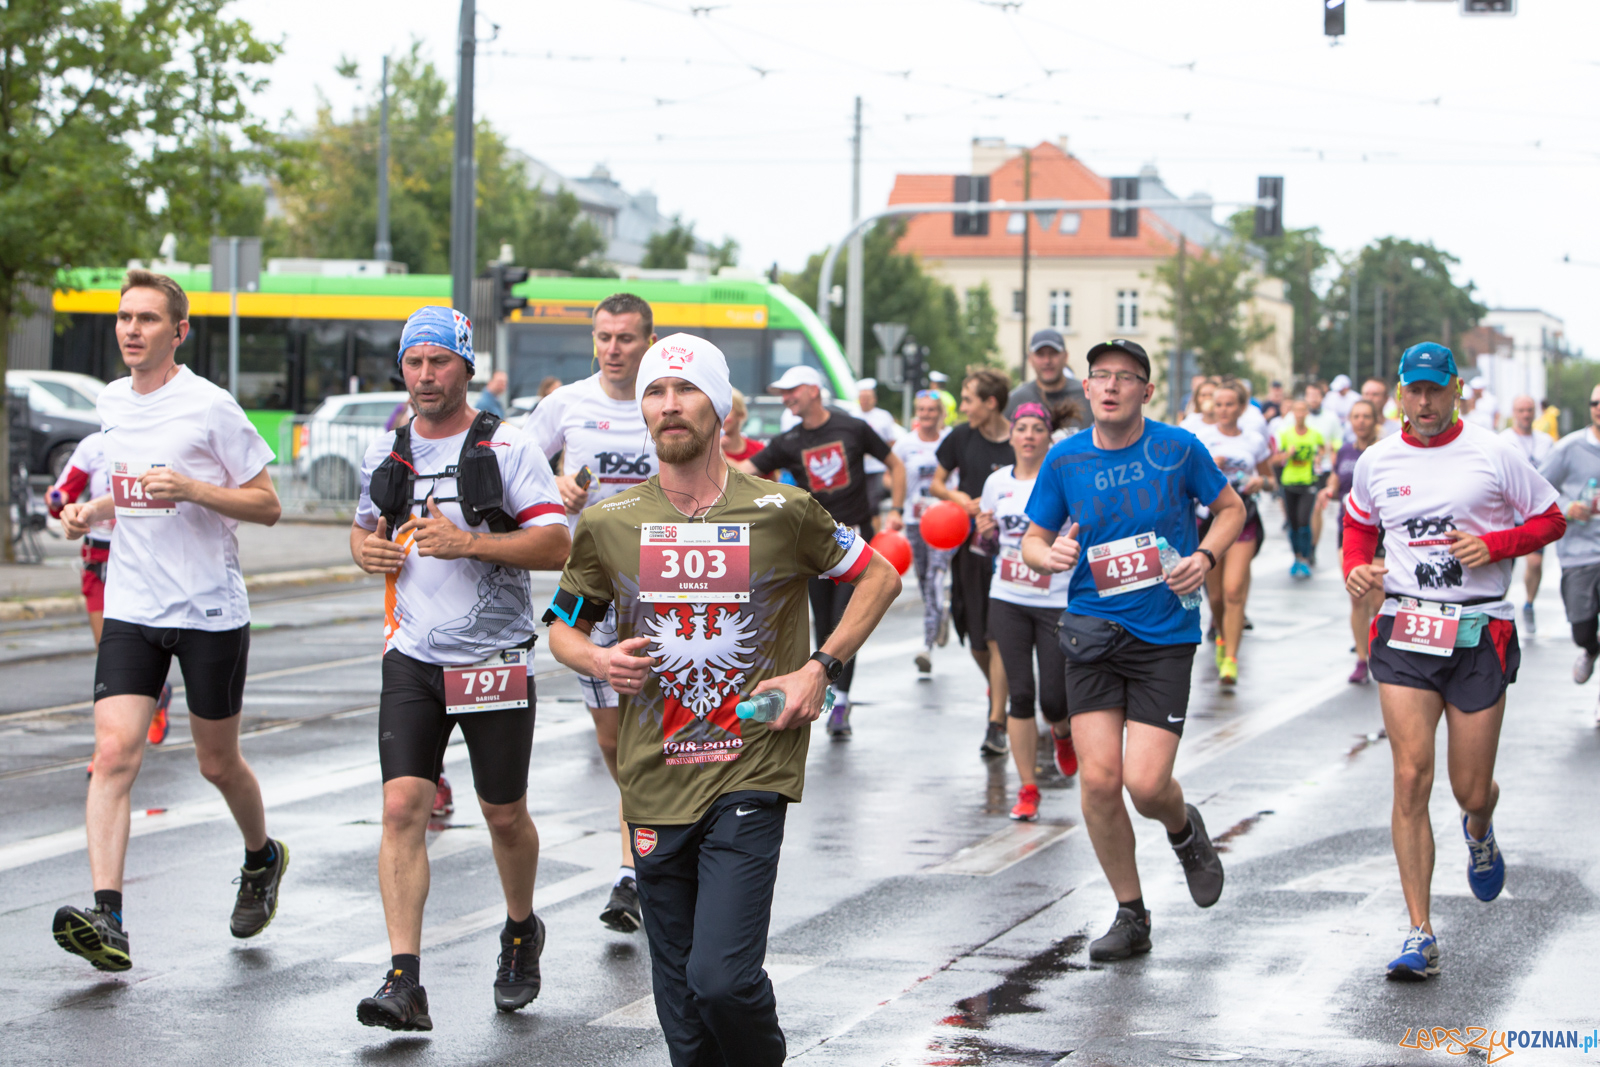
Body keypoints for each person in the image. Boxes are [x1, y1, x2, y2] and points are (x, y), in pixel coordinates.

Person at [545, 333, 902, 1066]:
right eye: (655, 392)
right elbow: (564, 628)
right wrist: (598, 656)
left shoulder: (782, 508)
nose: (669, 405)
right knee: (681, 1004)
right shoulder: (611, 523)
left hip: (749, 762)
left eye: (685, 390)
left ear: (719, 406)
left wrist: (818, 669)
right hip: (652, 774)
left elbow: (879, 577)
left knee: (722, 980)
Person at [53, 270, 285, 973]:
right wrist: (89, 512)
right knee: (116, 751)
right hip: (131, 604)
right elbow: (128, 489)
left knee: (217, 760)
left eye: (148, 319)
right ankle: (109, 914)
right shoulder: (111, 400)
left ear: (178, 331)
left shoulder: (210, 407)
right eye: (124, 317)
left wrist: (192, 488)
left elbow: (268, 503)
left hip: (209, 609)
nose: (131, 329)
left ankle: (260, 856)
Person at [349, 306, 571, 1028]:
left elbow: (556, 543)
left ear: (464, 366)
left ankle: (519, 930)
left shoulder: (507, 445)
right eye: (413, 362)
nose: (424, 375)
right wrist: (370, 554)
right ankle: (404, 979)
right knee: (401, 807)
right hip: (410, 656)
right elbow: (361, 534)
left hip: (494, 657)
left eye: (438, 362)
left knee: (502, 814)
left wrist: (468, 544)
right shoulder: (387, 451)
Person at [1343, 342, 1563, 982]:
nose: (1424, 402)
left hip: (1478, 629)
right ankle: (1419, 930)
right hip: (1407, 628)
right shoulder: (1379, 460)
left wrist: (1494, 544)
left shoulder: (1495, 453)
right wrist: (1358, 568)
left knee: (1470, 787)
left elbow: (1551, 520)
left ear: (1456, 389)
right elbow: (1360, 525)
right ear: (1400, 394)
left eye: (1435, 390)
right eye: (1414, 390)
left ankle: (1480, 825)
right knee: (1411, 776)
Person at [1020, 338, 1243, 962]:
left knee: (1146, 785)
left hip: (1163, 635)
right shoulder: (1065, 461)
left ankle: (1182, 826)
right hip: (1092, 632)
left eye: (1126, 377)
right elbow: (1034, 542)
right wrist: (1048, 554)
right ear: (1086, 389)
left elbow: (1230, 509)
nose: (1112, 386)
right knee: (1098, 781)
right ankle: (1131, 913)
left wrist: (1205, 556)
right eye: (1101, 376)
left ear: (1147, 391)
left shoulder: (1178, 448)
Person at [525, 292, 659, 932]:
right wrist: (553, 485)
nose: (613, 350)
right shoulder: (567, 405)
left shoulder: (666, 398)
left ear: (646, 342)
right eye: (604, 337)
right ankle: (646, 837)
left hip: (662, 586)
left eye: (626, 338)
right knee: (614, 740)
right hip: (594, 585)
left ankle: (640, 867)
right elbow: (512, 468)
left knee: (662, 728)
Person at [744, 365, 904, 738]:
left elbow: (895, 464)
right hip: (813, 550)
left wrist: (895, 509)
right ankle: (830, 692)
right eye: (782, 392)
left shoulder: (853, 427)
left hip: (855, 544)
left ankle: (842, 703)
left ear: (813, 390)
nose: (785, 398)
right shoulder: (788, 441)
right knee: (824, 623)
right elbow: (744, 472)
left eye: (790, 391)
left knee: (847, 620)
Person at [978, 401, 1078, 822]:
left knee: (1054, 699)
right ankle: (1028, 788)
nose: (1029, 435)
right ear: (1012, 435)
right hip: (1008, 596)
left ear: (1048, 436)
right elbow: (987, 542)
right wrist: (984, 533)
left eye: (1038, 428)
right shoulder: (996, 482)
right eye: (1022, 428)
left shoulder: (1063, 480)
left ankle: (1061, 731)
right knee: (1020, 694)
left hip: (1055, 599)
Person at [48, 434, 176, 752]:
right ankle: (111, 745)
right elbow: (64, 495)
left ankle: (147, 705)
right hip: (100, 561)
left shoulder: (153, 443)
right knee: (107, 653)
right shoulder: (92, 446)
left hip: (143, 557)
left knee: (139, 652)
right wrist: (58, 501)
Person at [930, 368, 1015, 756]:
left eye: (968, 400)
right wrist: (960, 500)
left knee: (998, 635)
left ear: (990, 403)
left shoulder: (1022, 439)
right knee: (976, 634)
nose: (962, 408)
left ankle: (997, 721)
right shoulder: (961, 437)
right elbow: (937, 483)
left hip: (1013, 551)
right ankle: (1001, 687)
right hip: (971, 547)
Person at [1196, 381, 1273, 687]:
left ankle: (1231, 658)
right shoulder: (1200, 438)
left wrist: (1261, 483)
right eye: (1219, 404)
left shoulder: (1254, 440)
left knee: (1232, 590)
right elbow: (1183, 482)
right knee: (1214, 595)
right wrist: (1207, 469)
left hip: (1243, 518)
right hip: (1208, 520)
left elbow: (1270, 479)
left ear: (1242, 408)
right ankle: (1222, 637)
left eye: (1230, 404)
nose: (1224, 410)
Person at [1537, 382, 1600, 725]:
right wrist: (1566, 505)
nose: (1599, 408)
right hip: (1579, 552)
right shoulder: (1569, 448)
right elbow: (1539, 488)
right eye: (1594, 402)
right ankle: (1590, 648)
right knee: (1582, 626)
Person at [894, 390, 952, 674]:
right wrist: (896, 507)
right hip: (916, 521)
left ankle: (927, 645)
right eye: (922, 410)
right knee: (924, 576)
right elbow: (891, 474)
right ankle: (940, 612)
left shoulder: (949, 440)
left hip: (945, 522)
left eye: (931, 410)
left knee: (935, 576)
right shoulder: (905, 444)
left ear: (940, 412)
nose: (926, 415)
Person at [1327, 399, 1385, 684]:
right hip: (1348, 529)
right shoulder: (1345, 451)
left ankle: (1380, 652)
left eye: (1366, 416)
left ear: (1375, 420)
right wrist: (1327, 491)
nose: (1360, 421)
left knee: (1379, 600)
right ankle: (1362, 659)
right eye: (1356, 416)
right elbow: (1336, 482)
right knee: (1357, 595)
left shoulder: (1385, 451)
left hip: (1380, 532)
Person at [1501, 395, 1555, 634]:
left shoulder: (1546, 442)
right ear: (1513, 412)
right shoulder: (1503, 441)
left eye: (1530, 410)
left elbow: (1553, 475)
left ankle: (1529, 603)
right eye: (1521, 410)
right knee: (1503, 567)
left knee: (1535, 562)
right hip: (1508, 515)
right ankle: (1497, 606)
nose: (1525, 414)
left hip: (1533, 513)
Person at [1274, 398, 1326, 578]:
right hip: (1289, 482)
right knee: (1293, 524)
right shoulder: (1286, 434)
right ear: (1292, 413)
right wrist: (1287, 454)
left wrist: (1319, 457)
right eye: (1296, 410)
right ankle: (1296, 557)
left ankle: (1305, 557)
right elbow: (1274, 459)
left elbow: (1322, 449)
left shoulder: (1314, 434)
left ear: (1307, 413)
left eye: (1303, 410)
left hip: (1308, 482)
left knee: (1304, 522)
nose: (1299, 414)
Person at [1005, 328, 1087, 430]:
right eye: (1040, 354)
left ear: (1065, 356)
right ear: (1030, 359)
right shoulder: (1015, 401)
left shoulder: (1087, 396)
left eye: (1053, 353)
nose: (1047, 361)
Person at [1304, 383, 1343, 563]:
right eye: (1309, 394)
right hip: (1300, 470)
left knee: (1316, 508)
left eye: (1316, 395)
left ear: (1322, 397)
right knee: (1299, 513)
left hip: (1323, 468)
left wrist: (1330, 452)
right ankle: (1299, 547)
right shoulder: (1296, 416)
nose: (1312, 398)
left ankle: (1312, 547)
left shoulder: (1331, 418)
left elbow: (1338, 441)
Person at [855, 377, 902, 523]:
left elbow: (891, 442)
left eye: (868, 397)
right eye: (862, 397)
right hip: (858, 467)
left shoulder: (883, 416)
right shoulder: (852, 415)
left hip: (877, 467)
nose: (865, 401)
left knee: (873, 505)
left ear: (874, 399)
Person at [719, 388, 767, 472]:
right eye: (717, 411)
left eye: (726, 411)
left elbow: (771, 482)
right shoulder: (704, 451)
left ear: (740, 415)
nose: (720, 417)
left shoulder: (758, 449)